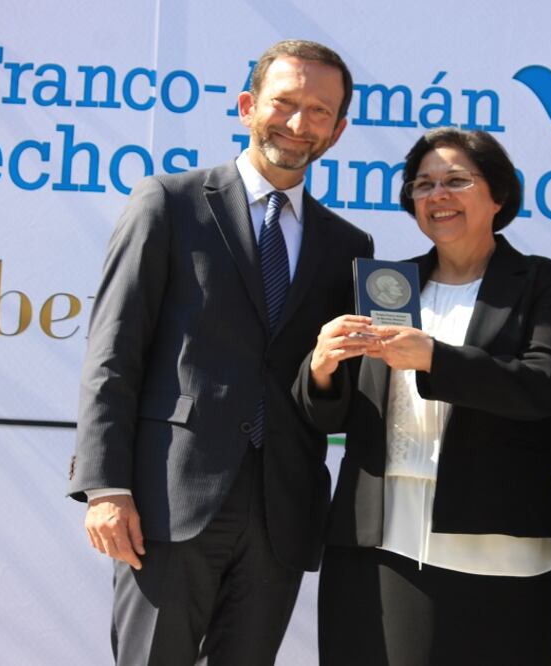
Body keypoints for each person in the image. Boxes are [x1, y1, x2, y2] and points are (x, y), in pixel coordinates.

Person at [65, 39, 373, 665]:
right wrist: (104, 486)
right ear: (246, 106)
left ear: (337, 131)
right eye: (284, 102)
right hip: (167, 503)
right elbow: (113, 352)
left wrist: (323, 378)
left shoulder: (348, 245)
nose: (298, 123)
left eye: (319, 111)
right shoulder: (169, 203)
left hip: (280, 515)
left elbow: (331, 399)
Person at [293, 127, 551, 665]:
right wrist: (323, 369)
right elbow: (333, 412)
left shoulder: (548, 284)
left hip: (496, 544)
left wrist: (435, 358)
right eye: (422, 185)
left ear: (498, 195)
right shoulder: (386, 285)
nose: (437, 196)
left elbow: (544, 389)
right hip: (375, 539)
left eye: (455, 181)